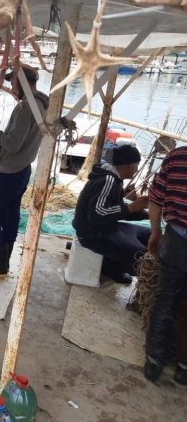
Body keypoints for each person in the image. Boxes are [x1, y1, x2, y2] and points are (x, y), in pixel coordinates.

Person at [0, 64, 49, 278]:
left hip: (8, 172)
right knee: (10, 213)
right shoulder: (41, 104)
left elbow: (14, 144)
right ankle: (3, 257)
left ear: (24, 83)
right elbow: (21, 141)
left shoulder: (25, 107)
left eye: (14, 83)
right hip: (22, 169)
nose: (11, 88)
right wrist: (0, 141)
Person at [72, 145, 150, 284]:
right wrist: (131, 207)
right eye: (137, 164)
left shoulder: (114, 180)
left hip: (109, 228)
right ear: (130, 164)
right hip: (94, 235)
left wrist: (147, 214)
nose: (137, 169)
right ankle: (110, 267)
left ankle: (111, 261)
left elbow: (115, 212)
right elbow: (96, 214)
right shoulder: (107, 180)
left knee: (150, 236)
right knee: (143, 258)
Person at [144, 146, 187, 385]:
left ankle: (154, 363)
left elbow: (156, 198)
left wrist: (155, 232)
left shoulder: (176, 157)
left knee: (165, 300)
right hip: (175, 241)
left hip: (175, 241)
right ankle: (184, 369)